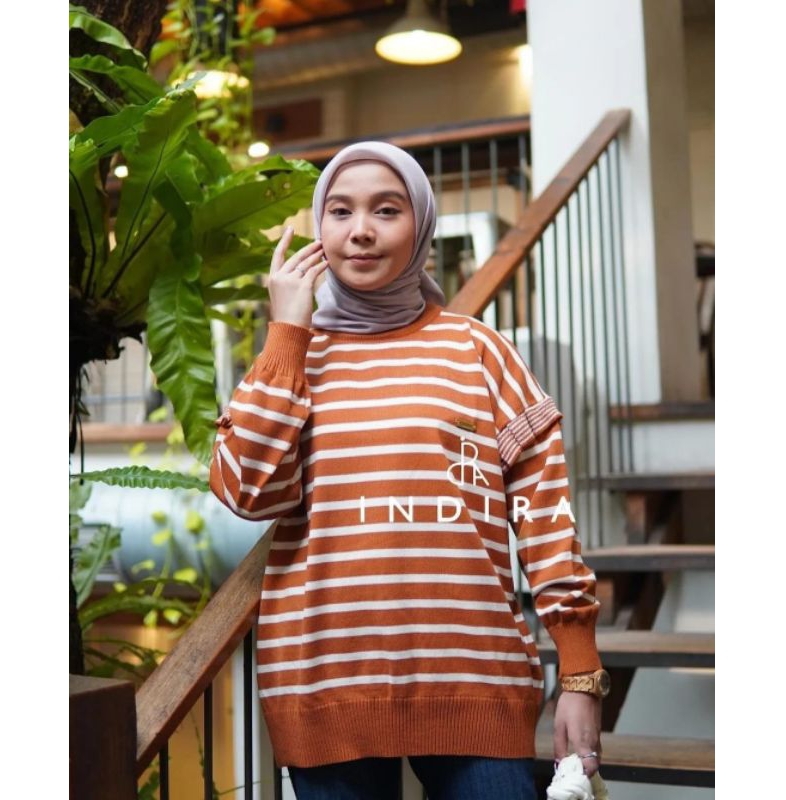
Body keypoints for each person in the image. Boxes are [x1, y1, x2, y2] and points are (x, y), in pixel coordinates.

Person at [210, 141, 605, 800]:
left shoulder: (478, 351)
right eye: (340, 211)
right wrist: (286, 334)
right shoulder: (292, 359)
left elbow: (546, 519)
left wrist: (581, 673)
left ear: (420, 225)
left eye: (386, 210)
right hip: (325, 685)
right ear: (319, 229)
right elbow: (247, 491)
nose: (360, 230)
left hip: (476, 682)